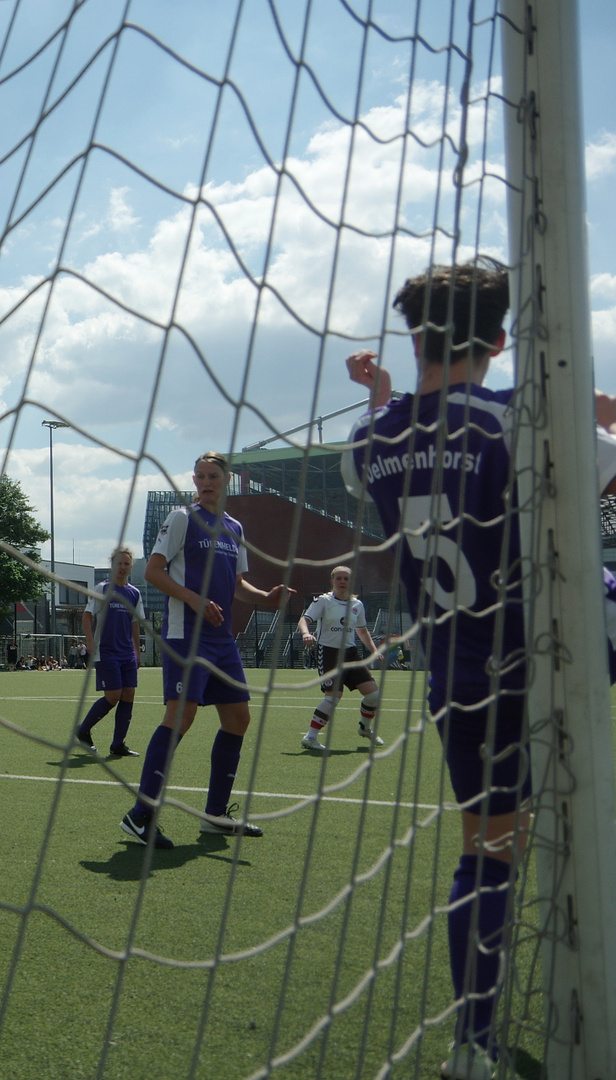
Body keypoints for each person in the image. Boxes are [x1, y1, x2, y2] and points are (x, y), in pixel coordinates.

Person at [337, 261, 527, 1080]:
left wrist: (382, 395)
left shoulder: (368, 443)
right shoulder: (515, 419)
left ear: (415, 337)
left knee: (486, 851)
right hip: (539, 654)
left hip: (457, 668)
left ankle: (474, 1048)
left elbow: (384, 442)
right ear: (501, 340)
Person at [120, 451, 294, 850]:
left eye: (213, 475)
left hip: (221, 639)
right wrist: (193, 599)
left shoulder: (234, 527)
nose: (206, 482)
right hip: (187, 635)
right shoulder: (183, 518)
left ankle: (215, 815)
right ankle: (140, 815)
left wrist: (266, 597)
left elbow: (236, 585)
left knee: (238, 718)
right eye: (200, 476)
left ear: (227, 480)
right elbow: (153, 571)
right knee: (180, 717)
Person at [297, 565, 383, 751]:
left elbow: (362, 630)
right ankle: (310, 737)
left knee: (374, 695)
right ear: (332, 581)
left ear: (350, 582)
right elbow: (304, 619)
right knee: (333, 697)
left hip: (350, 654)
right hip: (328, 653)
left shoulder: (357, 605)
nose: (342, 581)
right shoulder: (323, 601)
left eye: (346, 579)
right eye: (339, 578)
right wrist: (306, 634)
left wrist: (374, 651)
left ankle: (365, 729)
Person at [75, 545, 145, 757]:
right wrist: (90, 640)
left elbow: (135, 623)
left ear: (131, 566)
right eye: (119, 564)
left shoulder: (134, 593)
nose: (122, 567)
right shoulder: (102, 589)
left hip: (127, 654)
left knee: (129, 695)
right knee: (113, 696)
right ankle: (83, 730)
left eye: (126, 564)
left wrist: (137, 652)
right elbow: (87, 615)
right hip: (106, 651)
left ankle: (118, 744)